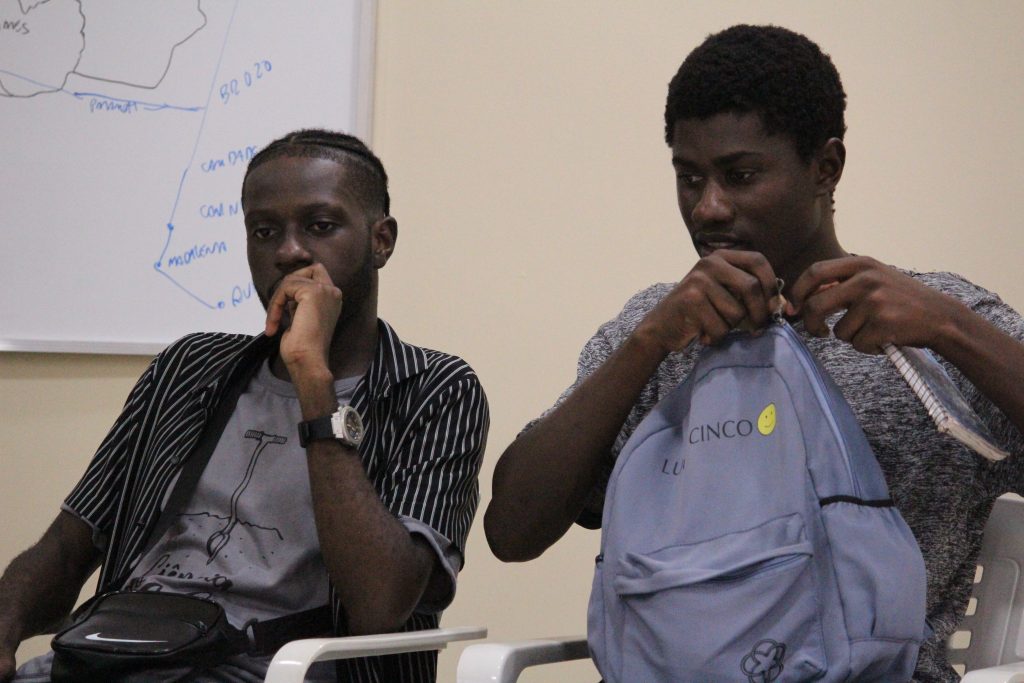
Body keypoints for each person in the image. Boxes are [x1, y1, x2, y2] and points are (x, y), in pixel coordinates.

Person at [484, 24, 1024, 682]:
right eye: (689, 178)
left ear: (826, 167)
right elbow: (512, 531)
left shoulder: (936, 319)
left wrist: (949, 328)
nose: (708, 208)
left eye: (740, 176)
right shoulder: (659, 329)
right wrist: (647, 343)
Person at [0, 129, 489, 683]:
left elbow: (381, 604)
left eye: (320, 226)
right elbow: (67, 548)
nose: (288, 252)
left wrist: (312, 376)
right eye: (264, 231)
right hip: (122, 657)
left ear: (381, 241)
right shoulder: (189, 367)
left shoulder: (434, 389)